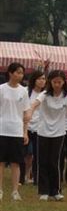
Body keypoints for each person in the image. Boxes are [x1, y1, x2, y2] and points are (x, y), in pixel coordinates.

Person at [28, 70, 67, 201]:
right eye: (54, 82)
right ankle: (43, 190)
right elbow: (35, 104)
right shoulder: (44, 94)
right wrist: (30, 112)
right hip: (43, 131)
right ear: (50, 82)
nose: (57, 84)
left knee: (55, 161)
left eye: (59, 82)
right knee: (42, 161)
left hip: (59, 132)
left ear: (63, 82)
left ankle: (55, 190)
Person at [0, 62, 29, 201]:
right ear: (10, 73)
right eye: (17, 72)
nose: (19, 75)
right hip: (2, 129)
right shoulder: (1, 89)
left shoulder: (24, 91)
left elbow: (25, 113)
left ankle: (15, 191)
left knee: (16, 162)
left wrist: (25, 132)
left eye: (21, 73)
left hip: (17, 130)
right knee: (0, 162)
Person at [23, 70, 45, 185]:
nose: (42, 81)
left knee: (37, 154)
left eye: (44, 79)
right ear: (34, 80)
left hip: (39, 128)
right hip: (26, 126)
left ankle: (36, 177)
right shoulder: (27, 92)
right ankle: (22, 177)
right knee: (25, 153)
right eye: (40, 78)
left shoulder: (45, 94)